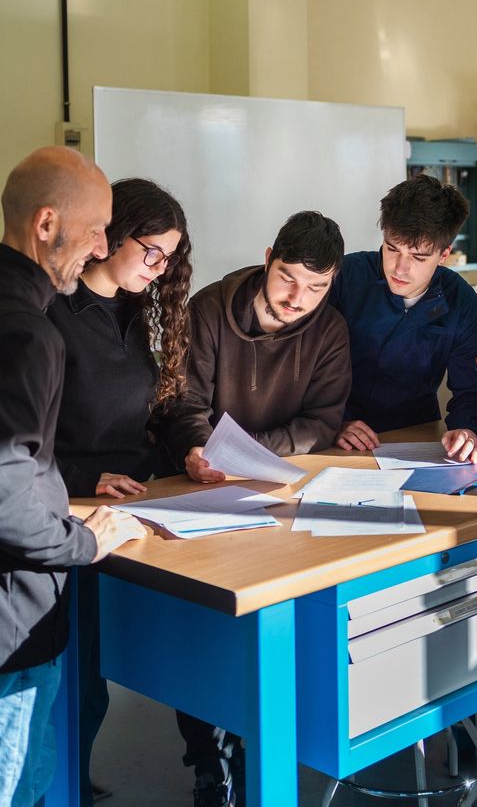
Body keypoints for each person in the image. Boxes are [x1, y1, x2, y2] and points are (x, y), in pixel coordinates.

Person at [160, 209, 351, 807]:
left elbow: (322, 421)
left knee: (270, 629)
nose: (299, 298)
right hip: (201, 484)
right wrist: (196, 449)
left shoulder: (330, 330)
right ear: (268, 256)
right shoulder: (211, 309)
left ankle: (252, 745)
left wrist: (254, 454)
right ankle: (207, 760)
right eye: (289, 278)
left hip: (281, 488)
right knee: (200, 629)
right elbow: (183, 400)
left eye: (317, 287)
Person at [0, 147, 146, 807]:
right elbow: (5, 488)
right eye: (96, 229)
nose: (101, 245)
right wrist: (82, 540)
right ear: (46, 223)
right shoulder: (29, 334)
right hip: (12, 627)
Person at [48, 178, 192, 807]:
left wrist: (191, 450)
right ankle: (60, 790)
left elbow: (154, 411)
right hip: (68, 511)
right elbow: (22, 442)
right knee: (74, 680)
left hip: (131, 508)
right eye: (151, 252)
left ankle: (71, 783)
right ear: (109, 235)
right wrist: (84, 480)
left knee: (102, 673)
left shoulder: (139, 316)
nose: (159, 270)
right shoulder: (50, 313)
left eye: (169, 258)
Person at [329, 174, 477, 463]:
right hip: (333, 435)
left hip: (416, 435)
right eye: (392, 249)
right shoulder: (344, 277)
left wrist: (467, 429)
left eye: (418, 257)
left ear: (444, 255)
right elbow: (302, 367)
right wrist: (334, 421)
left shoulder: (463, 304)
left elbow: (474, 391)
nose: (400, 268)